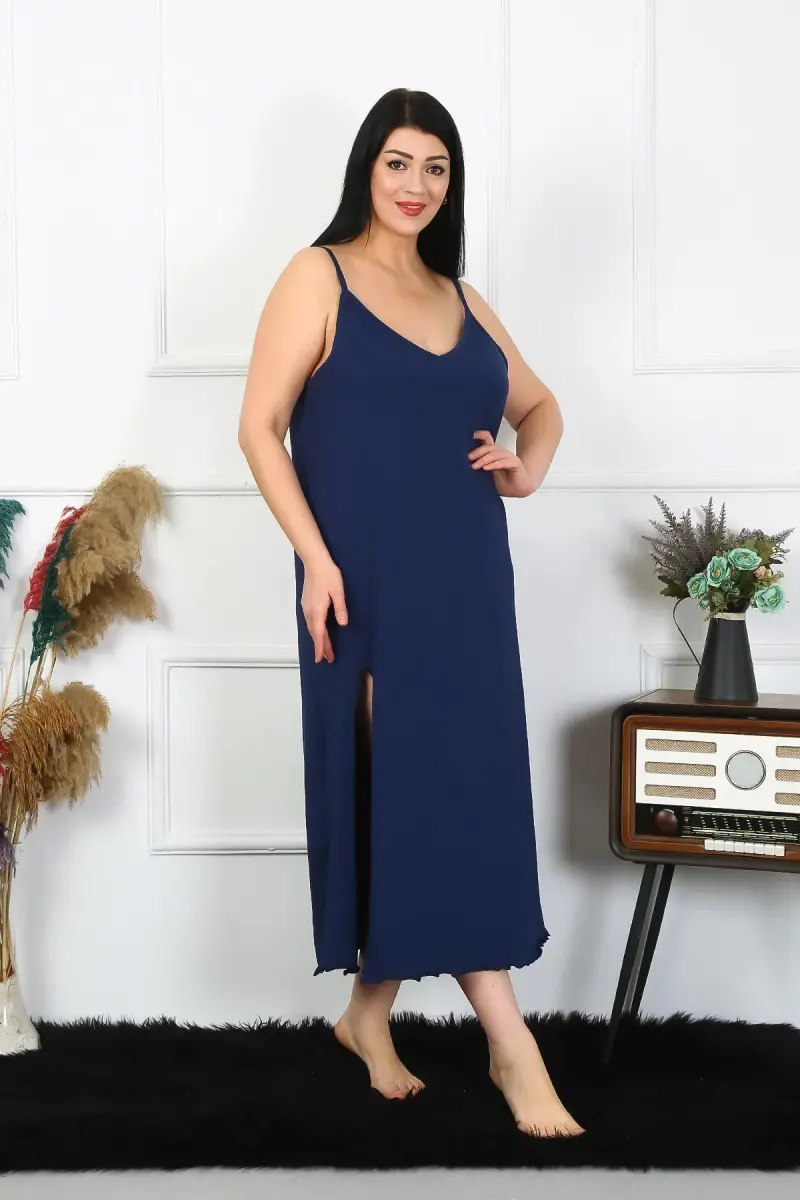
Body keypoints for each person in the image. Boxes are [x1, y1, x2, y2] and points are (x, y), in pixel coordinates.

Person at [238, 88, 583, 1139]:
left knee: (451, 791)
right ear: (366, 168)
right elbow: (259, 428)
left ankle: (365, 1016)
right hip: (363, 582)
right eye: (398, 162)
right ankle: (512, 1044)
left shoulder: (462, 297)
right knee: (410, 791)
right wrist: (313, 560)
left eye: (436, 167)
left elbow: (540, 406)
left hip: (468, 582)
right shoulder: (317, 275)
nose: (416, 184)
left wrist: (525, 467)